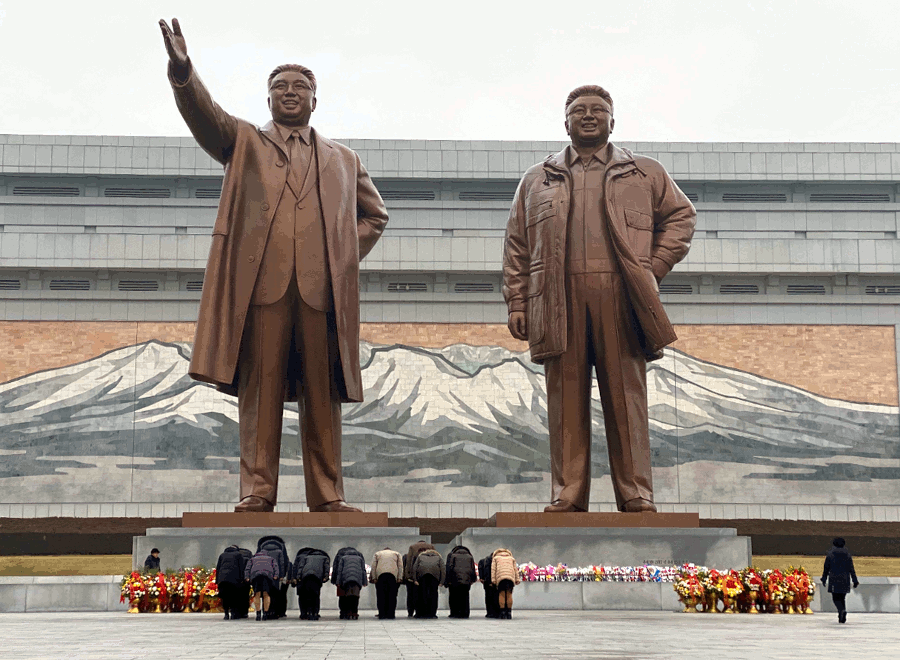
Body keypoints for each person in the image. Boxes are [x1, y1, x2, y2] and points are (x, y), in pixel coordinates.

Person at [158, 18, 388, 514]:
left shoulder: (343, 159)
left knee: (322, 397)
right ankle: (257, 490)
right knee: (259, 394)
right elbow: (206, 117)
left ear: (314, 101)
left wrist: (341, 257)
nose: (290, 92)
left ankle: (328, 495)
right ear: (267, 100)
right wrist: (183, 72)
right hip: (262, 291)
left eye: (300, 86)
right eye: (280, 86)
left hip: (321, 295)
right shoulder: (244, 141)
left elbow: (375, 216)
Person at [502, 84, 695, 513]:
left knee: (627, 398)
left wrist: (653, 267)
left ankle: (636, 492)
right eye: (579, 110)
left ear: (613, 121)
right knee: (565, 401)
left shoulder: (644, 172)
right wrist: (517, 301)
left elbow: (682, 216)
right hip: (557, 298)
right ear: (565, 122)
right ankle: (568, 493)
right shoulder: (537, 179)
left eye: (597, 110)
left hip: (621, 296)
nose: (588, 115)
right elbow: (517, 243)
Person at [822, 537, 859, 623]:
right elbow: (851, 569)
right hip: (845, 579)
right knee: (842, 597)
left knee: (835, 598)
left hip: (834, 578)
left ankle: (841, 611)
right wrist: (855, 580)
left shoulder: (830, 554)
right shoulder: (847, 554)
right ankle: (841, 613)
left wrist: (824, 578)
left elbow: (826, 568)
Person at [292, 547, 330, 621]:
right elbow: (326, 568)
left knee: (305, 596)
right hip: (316, 577)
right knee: (315, 596)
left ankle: (305, 613)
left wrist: (297, 577)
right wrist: (325, 577)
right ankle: (315, 613)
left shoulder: (304, 557)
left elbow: (298, 568)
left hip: (305, 577)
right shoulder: (324, 558)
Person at [257, 536, 290, 619]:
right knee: (275, 593)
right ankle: (274, 612)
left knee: (265, 593)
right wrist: (282, 575)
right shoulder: (281, 550)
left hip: (263, 574)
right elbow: (283, 563)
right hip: (276, 575)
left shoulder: (261, 550)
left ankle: (266, 612)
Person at [331, 547, 367, 620]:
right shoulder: (359, 557)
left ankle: (344, 613)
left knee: (342, 596)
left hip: (343, 579)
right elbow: (363, 570)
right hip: (356, 579)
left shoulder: (341, 556)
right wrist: (364, 581)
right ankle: (354, 613)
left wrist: (336, 581)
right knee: (355, 596)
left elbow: (337, 569)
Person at [244, 548, 280, 620]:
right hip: (267, 576)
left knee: (257, 594)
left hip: (256, 576)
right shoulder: (271, 559)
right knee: (266, 594)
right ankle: (265, 614)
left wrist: (247, 577)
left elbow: (247, 568)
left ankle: (258, 614)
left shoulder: (252, 559)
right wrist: (276, 575)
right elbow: (276, 567)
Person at [403, 540, 434, 617]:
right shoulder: (431, 547)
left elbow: (409, 562)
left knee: (411, 594)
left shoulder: (412, 547)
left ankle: (411, 612)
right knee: (429, 594)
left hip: (415, 573)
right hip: (429, 574)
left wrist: (408, 575)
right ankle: (429, 612)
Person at [215, 544, 247, 620]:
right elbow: (241, 567)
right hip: (234, 579)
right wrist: (242, 579)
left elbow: (218, 568)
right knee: (234, 596)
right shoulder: (238, 555)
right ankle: (233, 614)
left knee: (225, 597)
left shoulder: (222, 555)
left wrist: (217, 580)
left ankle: (226, 614)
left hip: (223, 579)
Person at [444, 545, 477, 618]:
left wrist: (447, 580)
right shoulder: (470, 556)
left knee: (454, 596)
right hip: (466, 580)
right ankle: (465, 613)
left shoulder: (452, 555)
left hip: (455, 579)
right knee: (465, 596)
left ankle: (455, 613)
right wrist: (473, 579)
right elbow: (472, 568)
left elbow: (449, 567)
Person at [370, 547, 403, 619]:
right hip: (393, 576)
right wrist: (399, 578)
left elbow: (373, 566)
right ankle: (391, 614)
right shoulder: (397, 554)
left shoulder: (377, 554)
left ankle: (382, 614)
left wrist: (374, 578)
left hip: (380, 576)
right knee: (392, 596)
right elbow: (400, 566)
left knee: (381, 596)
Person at [411, 548, 445, 619]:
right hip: (434, 577)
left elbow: (414, 568)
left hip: (422, 576)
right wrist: (442, 581)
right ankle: (432, 613)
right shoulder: (438, 557)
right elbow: (443, 569)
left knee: (421, 595)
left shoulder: (420, 556)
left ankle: (421, 613)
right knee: (433, 595)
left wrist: (415, 579)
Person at [491, 548, 520, 619]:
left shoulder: (495, 558)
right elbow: (515, 570)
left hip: (500, 578)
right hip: (510, 578)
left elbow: (493, 570)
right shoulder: (511, 559)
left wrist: (493, 580)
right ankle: (509, 613)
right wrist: (517, 579)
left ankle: (502, 612)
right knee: (509, 594)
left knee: (502, 594)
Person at [478, 553, 500, 619]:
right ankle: (496, 612)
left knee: (488, 597)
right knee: (496, 596)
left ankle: (490, 613)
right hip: (495, 581)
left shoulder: (483, 561)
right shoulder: (497, 561)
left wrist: (482, 578)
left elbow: (481, 570)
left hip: (487, 582)